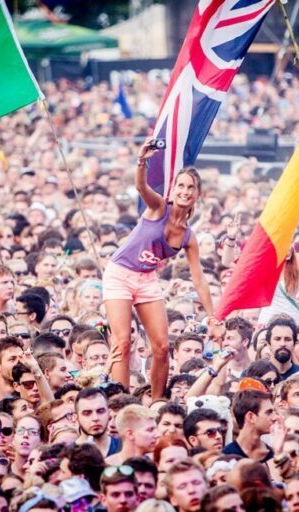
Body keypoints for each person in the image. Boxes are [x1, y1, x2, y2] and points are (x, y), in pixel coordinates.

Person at [104, 140, 220, 399]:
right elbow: (141, 187)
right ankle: (120, 400)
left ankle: (157, 401)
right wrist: (141, 161)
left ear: (198, 194)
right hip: (120, 273)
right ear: (173, 189)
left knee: (162, 346)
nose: (185, 191)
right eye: (181, 186)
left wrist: (212, 317)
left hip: (147, 279)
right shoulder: (158, 208)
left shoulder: (189, 236)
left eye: (190, 187)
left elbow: (199, 280)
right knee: (123, 341)